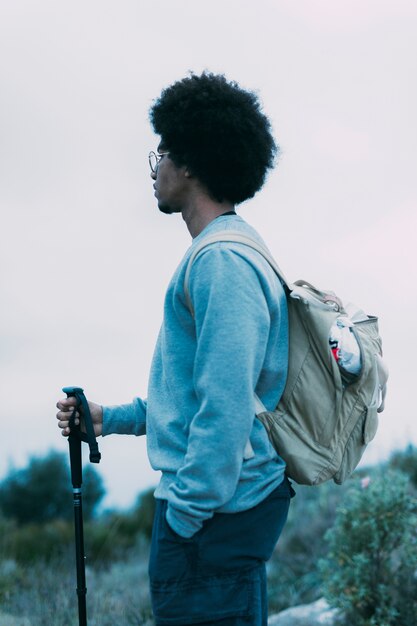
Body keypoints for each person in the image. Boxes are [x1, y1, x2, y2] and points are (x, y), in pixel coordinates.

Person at [56, 72, 294, 626]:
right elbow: (192, 398)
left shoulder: (222, 263)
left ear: (188, 162)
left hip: (211, 523)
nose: (155, 167)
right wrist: (108, 418)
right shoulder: (226, 252)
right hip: (222, 516)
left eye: (161, 152)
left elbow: (227, 405)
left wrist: (185, 515)